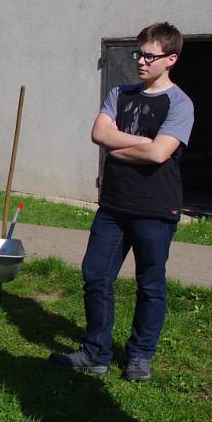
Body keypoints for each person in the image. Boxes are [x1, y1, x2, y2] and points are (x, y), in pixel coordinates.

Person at [50, 22, 194, 381]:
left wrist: (120, 147)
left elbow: (160, 154)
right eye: (138, 53)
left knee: (151, 284)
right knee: (96, 275)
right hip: (113, 207)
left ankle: (140, 356)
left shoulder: (179, 103)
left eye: (150, 56)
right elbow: (98, 133)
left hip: (156, 209)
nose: (141, 61)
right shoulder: (120, 93)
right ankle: (95, 352)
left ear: (170, 59)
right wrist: (142, 146)